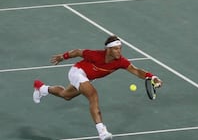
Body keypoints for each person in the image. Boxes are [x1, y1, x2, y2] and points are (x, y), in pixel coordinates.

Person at [32, 35, 163, 140]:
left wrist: (152, 77)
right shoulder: (95, 55)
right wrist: (63, 57)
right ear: (108, 49)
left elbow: (136, 71)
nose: (119, 51)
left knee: (66, 95)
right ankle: (102, 132)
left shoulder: (121, 61)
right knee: (93, 95)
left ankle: (41, 88)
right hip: (77, 72)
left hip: (87, 78)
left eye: (120, 48)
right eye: (116, 48)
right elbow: (78, 52)